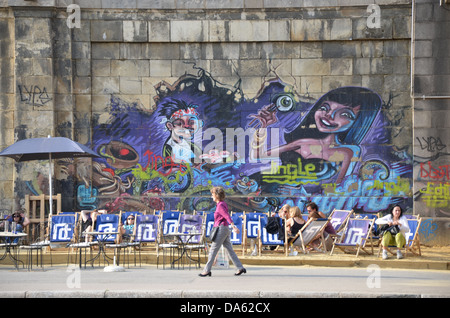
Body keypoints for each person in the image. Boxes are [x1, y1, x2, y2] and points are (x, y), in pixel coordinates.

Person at [199, 186, 246, 277]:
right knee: (229, 249)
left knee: (213, 250)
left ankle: (206, 270)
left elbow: (227, 216)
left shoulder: (220, 205)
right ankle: (240, 267)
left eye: (212, 194)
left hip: (221, 229)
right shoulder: (222, 204)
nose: (211, 196)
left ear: (216, 195)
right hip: (224, 228)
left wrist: (233, 226)